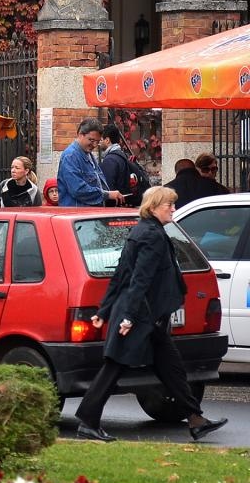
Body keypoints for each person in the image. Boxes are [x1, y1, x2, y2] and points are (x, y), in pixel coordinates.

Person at [73, 186, 229, 443]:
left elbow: (122, 274)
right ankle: (88, 422)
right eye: (169, 205)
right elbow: (139, 279)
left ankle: (195, 419)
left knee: (172, 368)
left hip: (148, 316)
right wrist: (128, 317)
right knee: (114, 367)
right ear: (154, 207)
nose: (173, 209)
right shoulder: (151, 235)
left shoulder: (142, 230)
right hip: (141, 315)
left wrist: (104, 310)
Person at [58, 117, 123, 207]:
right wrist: (107, 195)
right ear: (80, 135)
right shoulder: (70, 156)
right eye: (92, 140)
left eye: (97, 141)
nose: (95, 145)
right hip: (77, 213)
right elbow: (78, 189)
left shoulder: (88, 154)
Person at [99, 125, 144, 208]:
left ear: (107, 140)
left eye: (101, 140)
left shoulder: (110, 160)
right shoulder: (123, 156)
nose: (99, 143)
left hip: (114, 207)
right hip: (125, 204)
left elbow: (107, 188)